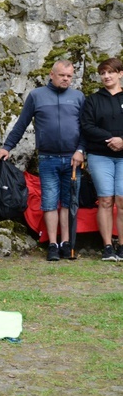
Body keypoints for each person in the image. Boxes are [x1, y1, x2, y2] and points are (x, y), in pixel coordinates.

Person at [0, 60, 85, 261]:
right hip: (47, 158)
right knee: (50, 201)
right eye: (62, 75)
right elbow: (21, 124)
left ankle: (66, 243)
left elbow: (85, 128)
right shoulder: (37, 95)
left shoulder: (78, 97)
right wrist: (6, 147)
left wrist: (81, 150)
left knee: (68, 202)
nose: (66, 79)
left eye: (69, 76)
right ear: (52, 75)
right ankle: (52, 244)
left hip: (73, 160)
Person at [80, 57, 123, 261]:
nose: (106, 76)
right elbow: (87, 126)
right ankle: (107, 247)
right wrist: (111, 139)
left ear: (120, 74)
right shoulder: (93, 100)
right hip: (100, 156)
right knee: (105, 200)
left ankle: (122, 246)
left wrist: (122, 140)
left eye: (110, 72)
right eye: (103, 73)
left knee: (122, 201)